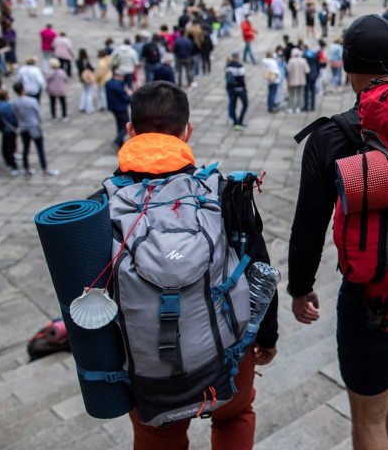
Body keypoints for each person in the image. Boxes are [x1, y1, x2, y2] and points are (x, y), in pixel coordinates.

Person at [96, 81, 277, 449]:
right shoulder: (223, 192)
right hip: (228, 355)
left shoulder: (102, 206)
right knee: (235, 418)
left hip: (146, 370)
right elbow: (259, 268)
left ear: (131, 131)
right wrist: (267, 338)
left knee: (156, 436)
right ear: (187, 130)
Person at [288, 14, 388, 450]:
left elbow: (308, 227)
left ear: (349, 69)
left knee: (367, 417)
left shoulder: (333, 137)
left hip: (374, 293)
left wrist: (300, 288)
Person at [12, 82, 58, 176]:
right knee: (40, 148)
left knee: (26, 149)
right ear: (23, 89)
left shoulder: (15, 103)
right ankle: (45, 170)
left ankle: (26, 169)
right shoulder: (32, 101)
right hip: (33, 126)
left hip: (24, 127)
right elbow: (37, 113)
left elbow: (16, 115)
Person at [0, 88, 23, 174]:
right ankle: (13, 165)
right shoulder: (7, 106)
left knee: (5, 145)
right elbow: (13, 118)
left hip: (2, 128)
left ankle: (8, 163)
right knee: (11, 146)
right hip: (9, 129)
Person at [105, 69, 132, 149]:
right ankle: (117, 141)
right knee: (127, 126)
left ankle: (120, 144)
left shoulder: (108, 83)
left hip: (113, 108)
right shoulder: (118, 85)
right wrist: (130, 95)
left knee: (119, 126)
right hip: (121, 108)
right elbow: (125, 98)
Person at [225, 51, 249, 130]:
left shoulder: (228, 65)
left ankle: (235, 122)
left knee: (234, 105)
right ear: (238, 57)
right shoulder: (239, 66)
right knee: (245, 104)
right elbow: (242, 79)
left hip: (232, 89)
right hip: (240, 89)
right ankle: (240, 121)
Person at [45, 58, 69, 123]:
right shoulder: (62, 72)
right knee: (63, 103)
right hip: (61, 89)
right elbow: (65, 79)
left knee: (53, 103)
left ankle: (54, 117)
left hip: (52, 90)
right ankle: (64, 116)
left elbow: (46, 80)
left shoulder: (49, 72)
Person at [286, 47, 310, 114]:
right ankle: (298, 108)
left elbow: (288, 70)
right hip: (301, 80)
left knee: (291, 94)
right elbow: (307, 70)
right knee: (300, 94)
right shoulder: (303, 60)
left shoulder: (291, 60)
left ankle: (291, 107)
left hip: (292, 80)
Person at [76, 49, 96, 115]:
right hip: (88, 78)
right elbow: (92, 69)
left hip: (82, 79)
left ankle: (82, 106)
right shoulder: (86, 61)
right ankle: (89, 108)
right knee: (89, 94)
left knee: (84, 92)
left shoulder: (78, 61)